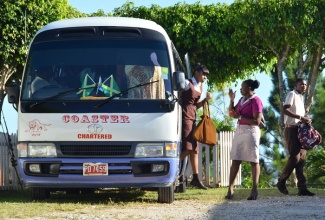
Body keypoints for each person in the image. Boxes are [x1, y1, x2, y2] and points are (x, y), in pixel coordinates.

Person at [276, 78, 314, 196]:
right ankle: (281, 181)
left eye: (305, 84)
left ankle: (302, 188)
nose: (303, 86)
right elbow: (285, 110)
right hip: (291, 129)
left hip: (301, 130)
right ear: (295, 85)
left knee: (302, 158)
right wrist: (301, 118)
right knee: (295, 157)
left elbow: (300, 116)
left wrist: (306, 120)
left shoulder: (301, 98)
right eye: (301, 84)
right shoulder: (292, 94)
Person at [226, 79, 263, 200]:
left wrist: (241, 116)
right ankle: (230, 189)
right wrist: (232, 100)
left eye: (242, 87)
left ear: (248, 88)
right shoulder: (241, 100)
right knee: (236, 159)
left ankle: (254, 190)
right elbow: (232, 113)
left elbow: (257, 121)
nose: (240, 89)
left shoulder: (256, 101)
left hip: (251, 132)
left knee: (253, 160)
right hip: (240, 130)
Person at [180, 63, 212, 190]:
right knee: (189, 147)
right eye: (203, 74)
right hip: (185, 116)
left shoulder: (200, 87)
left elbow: (196, 105)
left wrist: (206, 100)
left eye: (206, 75)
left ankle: (196, 178)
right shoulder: (188, 83)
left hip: (193, 117)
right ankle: (172, 165)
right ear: (196, 72)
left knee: (195, 149)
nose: (205, 77)